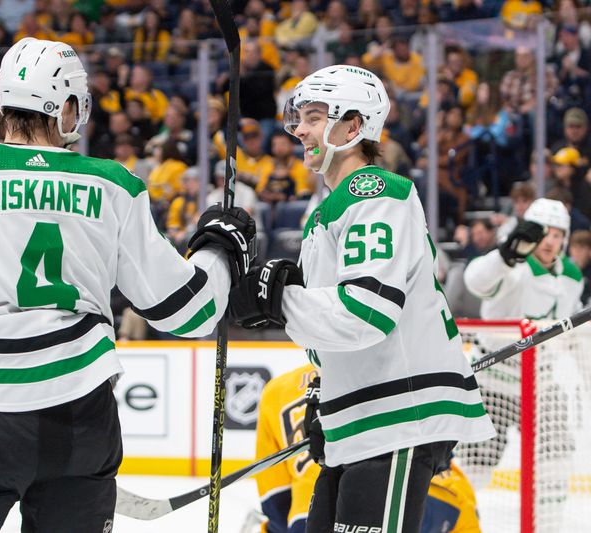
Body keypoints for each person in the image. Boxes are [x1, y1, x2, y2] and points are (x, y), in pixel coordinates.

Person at [0, 38, 254, 531]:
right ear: (68, 105)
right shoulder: (114, 184)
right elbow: (189, 312)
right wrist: (220, 247)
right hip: (81, 416)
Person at [228, 65, 495, 532]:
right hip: (361, 420)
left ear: (354, 126)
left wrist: (279, 301)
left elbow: (368, 311)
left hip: (397, 419)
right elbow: (328, 340)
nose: (300, 130)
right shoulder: (326, 212)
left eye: (314, 117)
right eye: (300, 118)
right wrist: (329, 398)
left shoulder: (373, 193)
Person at [463, 198, 581, 533]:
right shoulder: (511, 267)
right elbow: (476, 281)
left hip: (540, 379)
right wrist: (503, 255)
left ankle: (550, 526)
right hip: (493, 379)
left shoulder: (571, 276)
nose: (550, 242)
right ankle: (457, 520)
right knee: (476, 463)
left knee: (557, 457)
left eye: (558, 235)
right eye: (543, 233)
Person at [254, 364, 483, 533]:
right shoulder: (403, 368)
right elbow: (439, 455)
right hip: (412, 500)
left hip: (306, 516)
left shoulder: (277, 391)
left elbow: (274, 499)